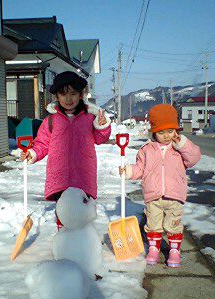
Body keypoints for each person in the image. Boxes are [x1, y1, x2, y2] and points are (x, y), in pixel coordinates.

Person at [21, 71, 111, 230]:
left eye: (73, 93)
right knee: (63, 213)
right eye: (63, 94)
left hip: (83, 175)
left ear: (81, 94)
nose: (68, 99)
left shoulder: (89, 118)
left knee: (83, 213)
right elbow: (42, 143)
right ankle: (64, 242)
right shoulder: (51, 121)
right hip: (60, 176)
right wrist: (32, 153)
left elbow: (100, 138)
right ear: (56, 96)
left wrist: (102, 126)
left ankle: (83, 243)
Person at [120, 104, 201, 267]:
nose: (166, 136)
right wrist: (128, 171)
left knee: (173, 225)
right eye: (161, 132)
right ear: (154, 131)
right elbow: (140, 169)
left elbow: (194, 158)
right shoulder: (146, 150)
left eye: (170, 131)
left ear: (176, 130)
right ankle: (154, 249)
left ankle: (174, 251)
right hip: (153, 196)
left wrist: (182, 145)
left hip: (175, 195)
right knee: (153, 225)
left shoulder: (180, 149)